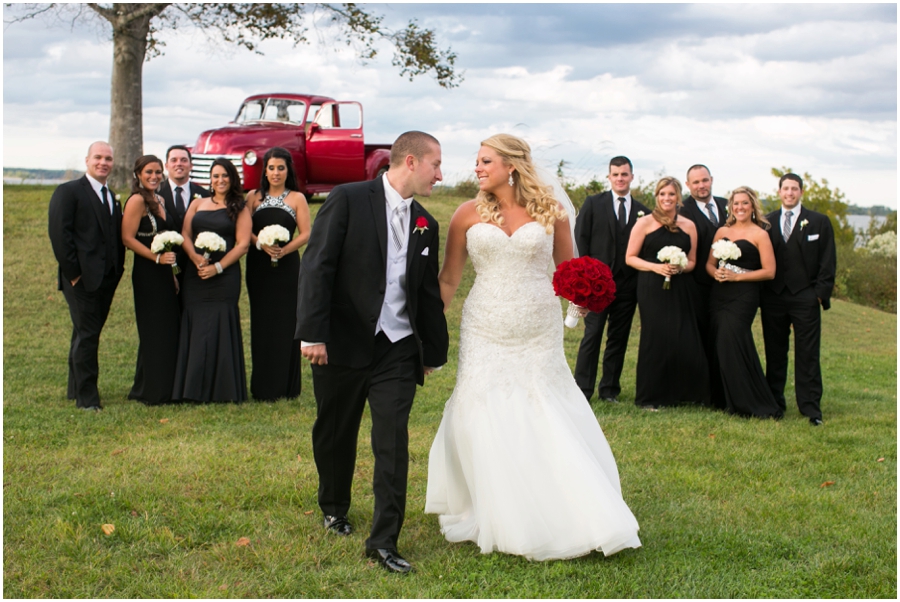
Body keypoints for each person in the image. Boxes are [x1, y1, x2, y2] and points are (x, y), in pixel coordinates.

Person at [425, 134, 641, 561]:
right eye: (478, 161)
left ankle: (564, 504)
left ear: (512, 165)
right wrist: (430, 333)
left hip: (537, 325)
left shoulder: (551, 211)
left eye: (485, 161)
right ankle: (494, 504)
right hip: (484, 323)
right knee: (480, 406)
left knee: (542, 404)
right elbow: (449, 279)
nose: (478, 168)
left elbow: (568, 270)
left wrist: (581, 298)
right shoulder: (466, 214)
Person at [295, 131, 449, 574]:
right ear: (411, 161)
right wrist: (312, 333)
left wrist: (431, 351)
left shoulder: (427, 224)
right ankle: (334, 504)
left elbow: (424, 294)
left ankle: (383, 540)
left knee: (392, 442)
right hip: (341, 342)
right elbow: (317, 266)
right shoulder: (347, 199)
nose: (440, 174)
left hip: (397, 350)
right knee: (335, 431)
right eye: (436, 165)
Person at [48, 141, 125, 411]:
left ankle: (74, 389)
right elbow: (60, 235)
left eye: (108, 158)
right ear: (87, 160)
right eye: (98, 157)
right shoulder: (68, 192)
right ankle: (87, 399)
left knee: (83, 334)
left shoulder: (111, 195)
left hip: (107, 279)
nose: (103, 162)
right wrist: (73, 275)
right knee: (88, 336)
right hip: (81, 280)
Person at [172, 158, 251, 402]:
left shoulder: (240, 207)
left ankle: (224, 390)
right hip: (196, 275)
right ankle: (191, 389)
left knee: (220, 323)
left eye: (225, 175)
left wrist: (218, 267)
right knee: (195, 324)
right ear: (210, 179)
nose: (220, 180)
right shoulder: (198, 204)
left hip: (224, 276)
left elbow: (243, 244)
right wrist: (195, 258)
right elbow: (185, 234)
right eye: (216, 176)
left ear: (232, 178)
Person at [625, 176, 708, 408]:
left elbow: (693, 262)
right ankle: (650, 396)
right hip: (651, 286)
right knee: (655, 337)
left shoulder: (689, 225)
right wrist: (656, 267)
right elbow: (630, 258)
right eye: (662, 194)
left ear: (678, 197)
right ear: (657, 196)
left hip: (681, 286)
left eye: (671, 194)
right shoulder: (644, 223)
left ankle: (686, 393)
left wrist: (679, 267)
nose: (667, 198)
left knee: (683, 336)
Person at [573, 156, 650, 403]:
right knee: (592, 335)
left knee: (618, 337)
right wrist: (583, 280)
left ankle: (609, 390)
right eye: (615, 174)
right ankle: (583, 389)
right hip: (596, 284)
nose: (620, 178)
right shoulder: (594, 203)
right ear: (609, 177)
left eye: (624, 174)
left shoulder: (644, 212)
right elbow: (581, 240)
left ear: (632, 177)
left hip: (628, 285)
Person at [761, 173, 836, 426]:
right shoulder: (766, 222)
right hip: (773, 297)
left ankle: (811, 409)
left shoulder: (819, 222)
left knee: (808, 354)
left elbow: (828, 261)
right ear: (779, 191)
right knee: (775, 352)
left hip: (806, 297)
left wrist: (818, 296)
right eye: (786, 188)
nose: (790, 193)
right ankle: (774, 404)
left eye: (794, 189)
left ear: (801, 192)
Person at [705, 187, 781, 419]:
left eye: (745, 203)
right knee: (720, 343)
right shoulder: (722, 231)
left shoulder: (760, 234)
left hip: (744, 295)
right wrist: (715, 274)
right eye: (736, 203)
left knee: (733, 340)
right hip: (720, 294)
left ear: (752, 206)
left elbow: (769, 272)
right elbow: (709, 264)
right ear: (730, 206)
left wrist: (738, 277)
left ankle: (750, 401)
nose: (740, 207)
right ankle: (724, 398)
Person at [245, 147, 311, 401]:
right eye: (271, 168)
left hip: (287, 268)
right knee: (261, 323)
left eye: (280, 168)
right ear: (265, 170)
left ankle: (287, 385)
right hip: (258, 266)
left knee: (286, 323)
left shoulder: (297, 198)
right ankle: (262, 386)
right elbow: (244, 230)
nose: (275, 173)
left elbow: (306, 233)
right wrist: (260, 244)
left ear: (288, 171)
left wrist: (284, 251)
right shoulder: (253, 197)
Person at [121, 155, 181, 405]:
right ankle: (154, 391)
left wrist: (172, 272)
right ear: (138, 174)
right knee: (154, 329)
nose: (154, 176)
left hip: (166, 273)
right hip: (148, 273)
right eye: (148, 172)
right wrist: (155, 259)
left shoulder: (161, 199)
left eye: (158, 172)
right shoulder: (136, 201)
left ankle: (163, 384)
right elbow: (128, 238)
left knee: (168, 329)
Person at [680, 164, 729, 408]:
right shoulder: (681, 210)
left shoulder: (728, 205)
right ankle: (701, 392)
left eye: (705, 180)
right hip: (695, 284)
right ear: (688, 186)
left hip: (729, 286)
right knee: (698, 338)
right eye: (696, 182)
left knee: (724, 337)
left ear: (711, 180)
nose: (701, 186)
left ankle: (723, 389)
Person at [158, 145, 210, 295]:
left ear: (191, 165)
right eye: (173, 160)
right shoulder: (155, 195)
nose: (178, 164)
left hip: (196, 264)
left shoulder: (205, 195)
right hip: (165, 264)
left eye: (183, 160)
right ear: (167, 165)